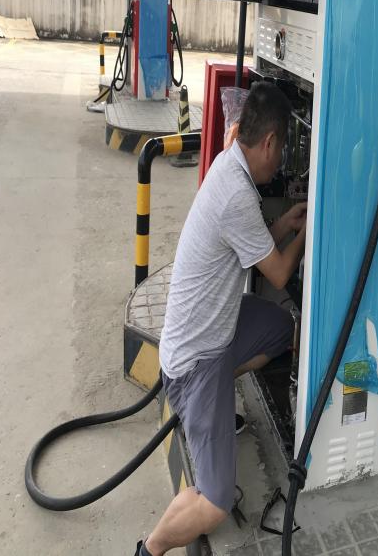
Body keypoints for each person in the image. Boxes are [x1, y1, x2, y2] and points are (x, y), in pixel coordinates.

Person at [135, 82, 307, 556]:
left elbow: (253, 241)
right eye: (283, 149)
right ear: (269, 142)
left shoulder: (229, 162)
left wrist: (284, 225)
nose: (281, 161)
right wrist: (309, 229)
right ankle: (149, 549)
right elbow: (278, 271)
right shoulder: (236, 193)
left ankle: (213, 401)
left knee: (281, 329)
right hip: (196, 361)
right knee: (214, 503)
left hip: (213, 328)